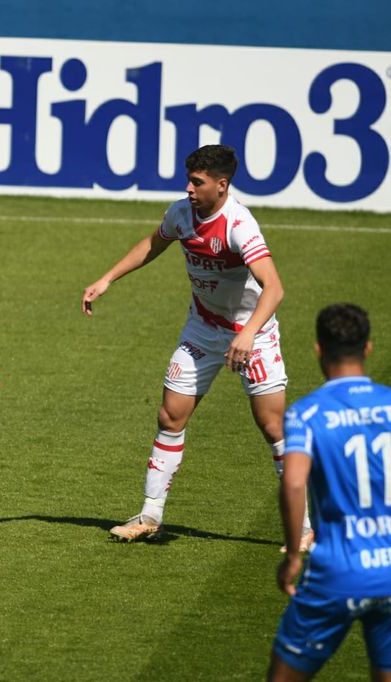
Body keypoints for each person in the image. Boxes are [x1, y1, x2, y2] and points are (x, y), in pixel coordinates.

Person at [81, 144, 312, 546]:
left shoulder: (239, 224)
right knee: (171, 416)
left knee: (272, 426)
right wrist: (107, 279)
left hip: (252, 334)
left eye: (197, 182)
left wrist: (246, 333)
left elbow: (274, 288)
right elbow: (154, 243)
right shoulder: (181, 212)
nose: (188, 188)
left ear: (222, 186)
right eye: (188, 180)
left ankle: (307, 527)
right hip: (202, 331)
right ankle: (150, 515)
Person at [269, 303, 391, 681]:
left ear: (318, 349)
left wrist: (292, 554)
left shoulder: (307, 413)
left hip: (337, 571)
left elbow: (292, 481)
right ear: (368, 348)